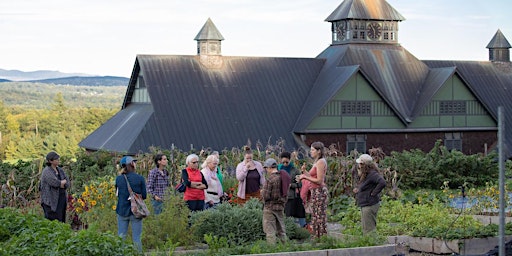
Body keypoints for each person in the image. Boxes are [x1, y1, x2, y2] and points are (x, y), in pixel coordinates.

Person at [115, 156, 147, 252]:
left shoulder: (118, 179)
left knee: (121, 237)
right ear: (132, 164)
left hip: (122, 211)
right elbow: (144, 196)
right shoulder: (140, 178)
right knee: (137, 237)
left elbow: (117, 194)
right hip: (136, 211)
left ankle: (121, 254)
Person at [298, 141, 329, 239]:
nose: (310, 152)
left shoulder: (320, 162)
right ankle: (317, 237)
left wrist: (304, 177)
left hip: (319, 191)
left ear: (318, 151)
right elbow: (312, 177)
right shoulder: (317, 161)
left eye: (312, 150)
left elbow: (319, 180)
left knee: (319, 217)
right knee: (315, 216)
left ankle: (322, 238)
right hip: (315, 191)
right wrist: (304, 172)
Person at [353, 153, 386, 234]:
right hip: (366, 204)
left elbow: (382, 182)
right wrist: (359, 189)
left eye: (360, 164)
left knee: (369, 230)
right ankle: (370, 244)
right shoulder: (366, 174)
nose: (359, 166)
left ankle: (373, 245)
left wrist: (373, 193)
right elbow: (367, 186)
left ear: (364, 164)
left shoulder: (372, 174)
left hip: (370, 204)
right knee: (366, 228)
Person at [261, 158, 288, 244]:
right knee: (281, 230)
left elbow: (265, 195)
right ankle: (286, 248)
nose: (266, 170)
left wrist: (262, 192)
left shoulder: (270, 180)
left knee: (270, 231)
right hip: (280, 207)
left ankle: (272, 250)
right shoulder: (283, 178)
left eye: (266, 168)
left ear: (269, 168)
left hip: (269, 207)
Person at [278, 151, 306, 227]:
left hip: (290, 196)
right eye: (283, 162)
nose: (285, 164)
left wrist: (291, 185)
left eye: (286, 162)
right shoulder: (278, 169)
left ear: (289, 160)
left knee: (289, 215)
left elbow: (299, 184)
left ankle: (291, 230)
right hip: (279, 196)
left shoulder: (294, 170)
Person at [40, 151, 69, 222]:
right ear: (51, 161)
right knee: (53, 220)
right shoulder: (47, 171)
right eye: (56, 159)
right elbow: (55, 183)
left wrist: (62, 183)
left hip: (61, 198)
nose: (58, 160)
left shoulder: (60, 170)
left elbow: (67, 182)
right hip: (50, 201)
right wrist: (61, 183)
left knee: (61, 218)